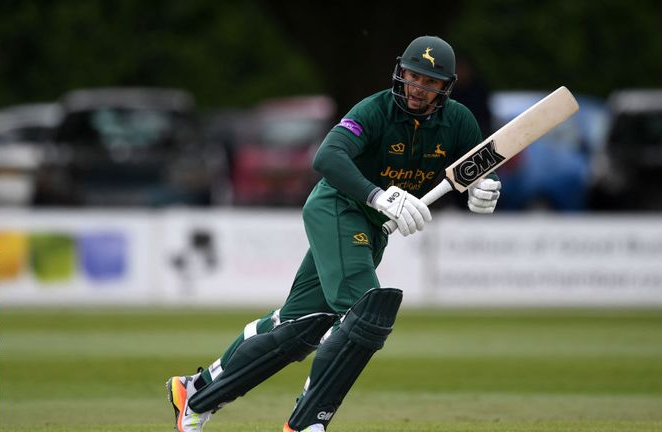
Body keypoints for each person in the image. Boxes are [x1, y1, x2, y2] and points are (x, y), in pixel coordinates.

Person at [165, 35, 502, 432]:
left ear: (445, 87)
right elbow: (327, 156)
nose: (417, 89)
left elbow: (478, 169)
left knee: (299, 328)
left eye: (429, 83)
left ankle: (196, 393)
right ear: (400, 73)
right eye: (412, 77)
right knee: (366, 314)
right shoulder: (374, 110)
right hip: (338, 208)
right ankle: (308, 423)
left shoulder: (458, 121)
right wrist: (378, 196)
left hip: (372, 229)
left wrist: (483, 190)